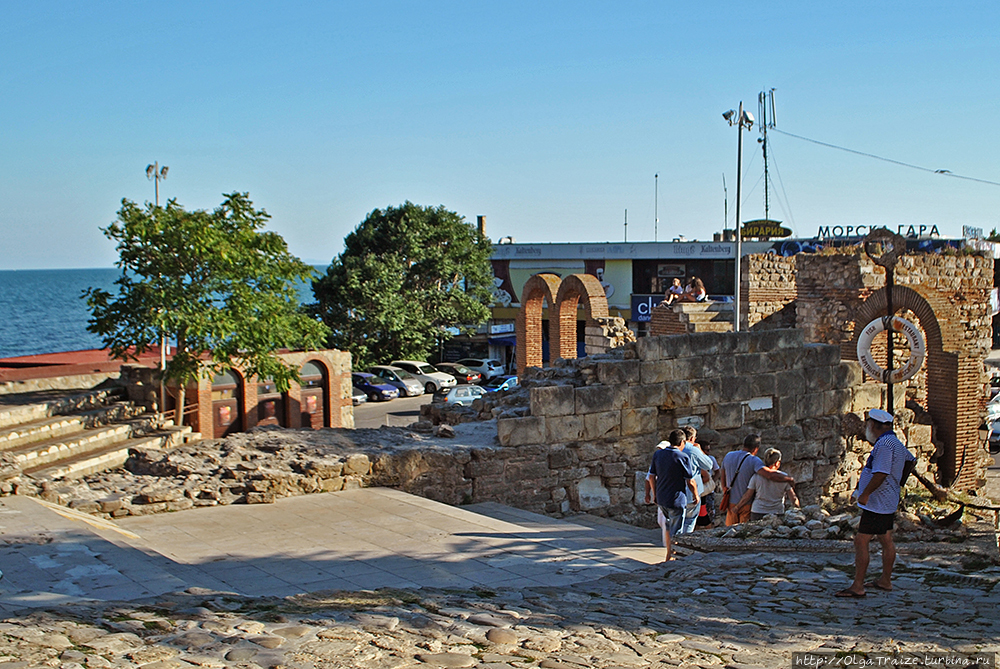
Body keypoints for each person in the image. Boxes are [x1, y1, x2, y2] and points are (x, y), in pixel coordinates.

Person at [836, 409, 917, 598]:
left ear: (873, 426)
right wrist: (897, 483)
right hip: (887, 500)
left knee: (861, 540)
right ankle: (885, 580)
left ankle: (857, 586)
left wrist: (865, 494)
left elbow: (881, 472)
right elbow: (910, 461)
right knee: (885, 538)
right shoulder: (895, 443)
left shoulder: (884, 445)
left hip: (877, 502)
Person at [644, 429, 699, 562]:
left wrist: (654, 493)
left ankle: (669, 555)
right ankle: (675, 558)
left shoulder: (658, 455)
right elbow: (690, 481)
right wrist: (696, 495)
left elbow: (651, 477)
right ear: (682, 442)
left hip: (662, 498)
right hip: (676, 499)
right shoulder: (683, 457)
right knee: (677, 531)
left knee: (668, 527)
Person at [720, 434, 794, 526]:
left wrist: (724, 488)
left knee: (730, 531)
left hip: (731, 502)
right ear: (756, 448)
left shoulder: (728, 456)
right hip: (747, 504)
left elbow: (722, 473)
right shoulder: (754, 460)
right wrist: (788, 479)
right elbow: (769, 475)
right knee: (743, 532)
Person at [735, 448, 800, 521]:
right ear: (777, 463)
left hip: (758, 511)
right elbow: (793, 498)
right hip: (777, 512)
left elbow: (748, 495)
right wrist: (798, 509)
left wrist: (737, 507)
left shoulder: (756, 476)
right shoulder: (784, 478)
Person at [679, 426, 714, 534]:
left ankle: (673, 545)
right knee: (689, 522)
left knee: (677, 522)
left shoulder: (674, 448)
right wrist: (699, 450)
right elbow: (709, 464)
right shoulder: (692, 449)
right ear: (692, 438)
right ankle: (682, 545)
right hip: (691, 492)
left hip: (675, 491)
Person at [696, 441, 721, 528]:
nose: (708, 452)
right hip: (698, 491)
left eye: (709, 450)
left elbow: (718, 471)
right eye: (706, 450)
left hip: (708, 491)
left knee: (709, 514)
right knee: (698, 515)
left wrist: (712, 481)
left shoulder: (711, 459)